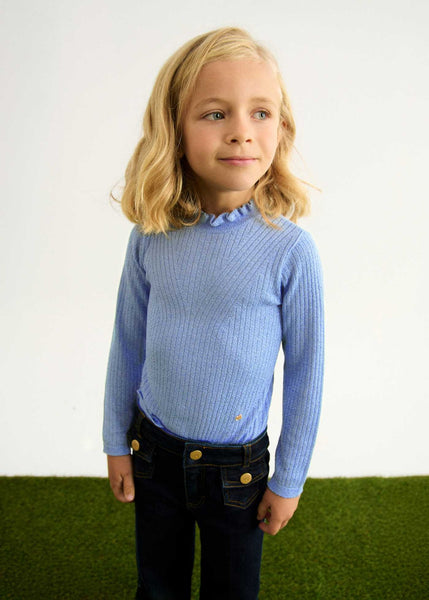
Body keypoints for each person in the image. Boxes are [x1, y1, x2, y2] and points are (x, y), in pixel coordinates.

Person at [103, 26, 324, 600]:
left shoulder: (290, 252)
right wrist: (114, 440)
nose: (241, 132)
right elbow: (127, 341)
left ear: (282, 127)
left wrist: (289, 479)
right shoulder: (151, 235)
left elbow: (307, 373)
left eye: (261, 113)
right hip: (153, 454)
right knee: (158, 586)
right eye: (215, 113)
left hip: (237, 472)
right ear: (173, 130)